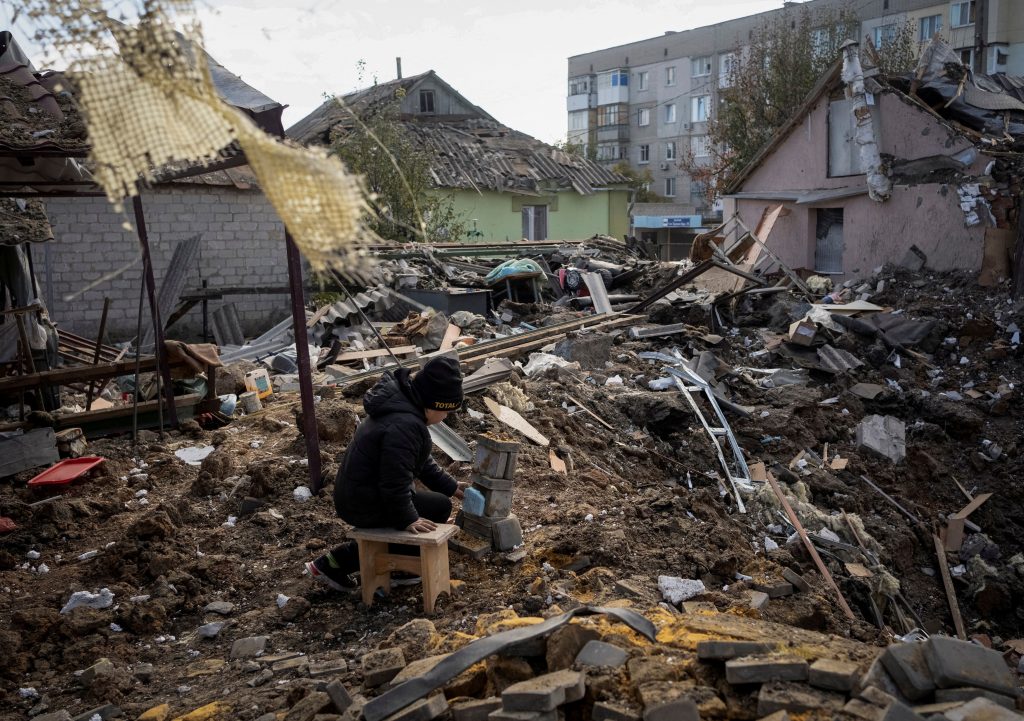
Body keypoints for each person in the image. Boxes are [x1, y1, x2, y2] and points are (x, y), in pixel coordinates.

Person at [304, 355, 466, 591]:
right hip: (364, 502)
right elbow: (394, 482)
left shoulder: (403, 407)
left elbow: (420, 462)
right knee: (437, 508)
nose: (447, 417)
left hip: (360, 492)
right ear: (435, 404)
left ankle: (334, 561)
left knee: (437, 503)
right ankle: (386, 566)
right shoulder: (405, 425)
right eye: (447, 411)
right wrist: (408, 518)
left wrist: (452, 486)